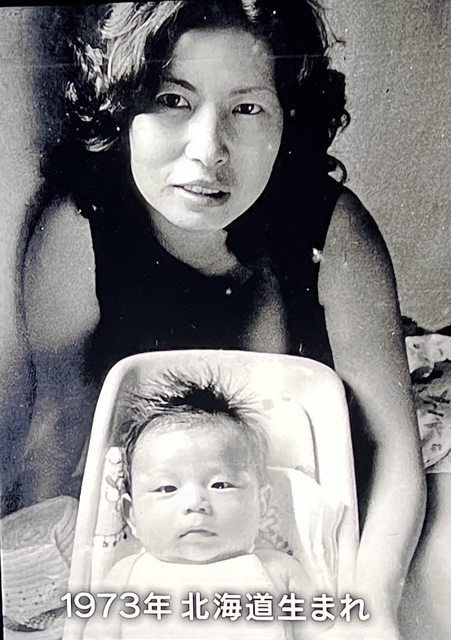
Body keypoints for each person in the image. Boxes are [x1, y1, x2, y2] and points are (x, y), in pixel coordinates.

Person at [12, 1, 424, 638]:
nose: (208, 151)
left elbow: (396, 449)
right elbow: (59, 431)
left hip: (319, 505)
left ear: (288, 119)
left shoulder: (334, 228)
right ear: (122, 108)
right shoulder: (78, 229)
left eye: (248, 108)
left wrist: (370, 610)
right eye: (173, 100)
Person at [82, 374, 325, 639]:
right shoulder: (124, 577)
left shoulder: (280, 571)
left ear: (261, 504)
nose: (195, 503)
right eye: (167, 488)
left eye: (220, 485)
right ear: (131, 516)